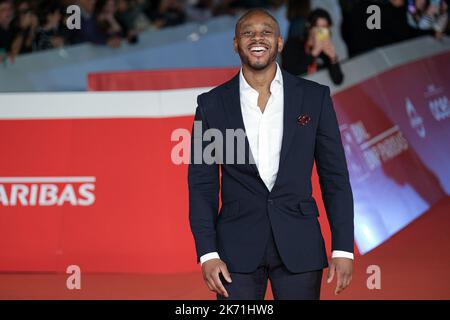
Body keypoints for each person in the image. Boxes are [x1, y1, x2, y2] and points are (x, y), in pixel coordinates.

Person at [188, 8, 354, 300]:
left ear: (279, 42)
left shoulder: (314, 98)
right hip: (234, 253)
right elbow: (202, 185)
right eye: (247, 33)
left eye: (266, 32)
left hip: (300, 244)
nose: (257, 38)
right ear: (236, 44)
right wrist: (207, 253)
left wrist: (342, 248)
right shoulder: (212, 105)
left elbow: (335, 177)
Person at [282, 8, 344, 85]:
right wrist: (313, 53)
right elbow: (292, 74)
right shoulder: (292, 44)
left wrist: (333, 58)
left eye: (325, 28)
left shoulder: (325, 50)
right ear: (309, 27)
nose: (321, 32)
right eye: (318, 27)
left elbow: (338, 80)